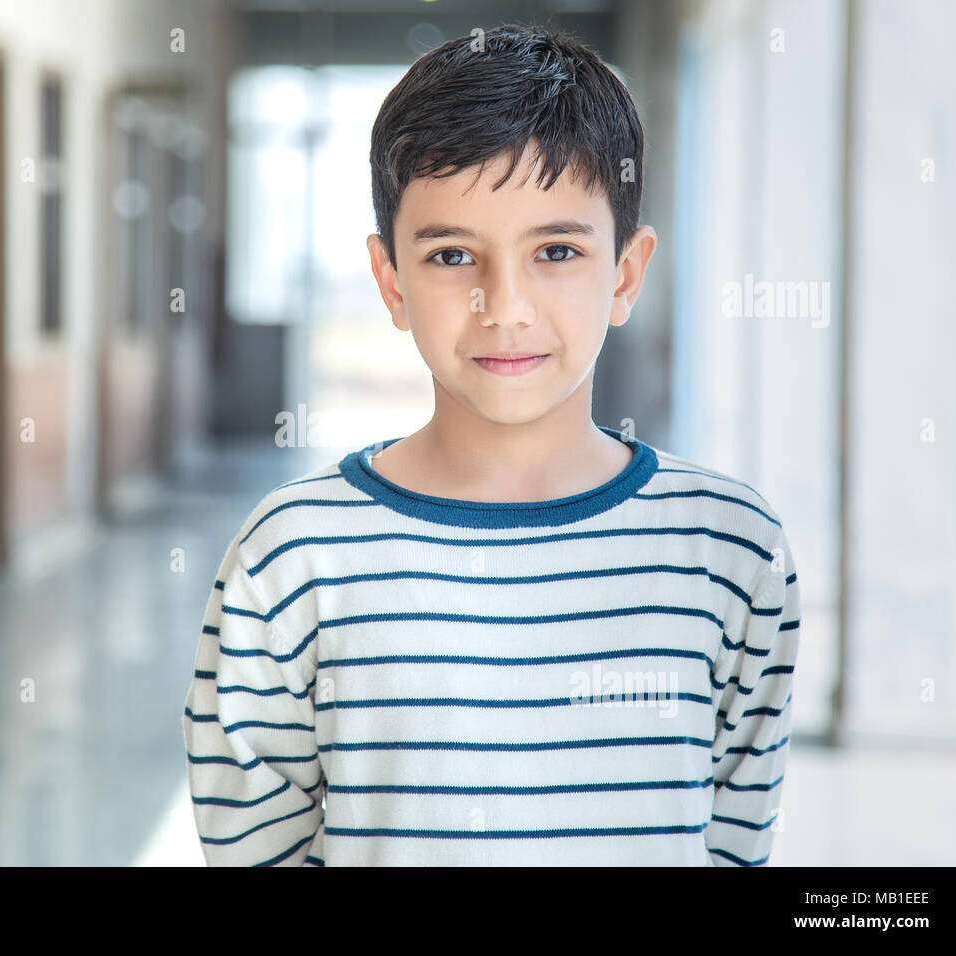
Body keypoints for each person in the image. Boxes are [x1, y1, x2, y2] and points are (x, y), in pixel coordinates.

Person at [181, 23, 800, 866]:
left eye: (555, 250)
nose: (502, 306)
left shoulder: (729, 549)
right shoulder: (294, 559)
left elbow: (733, 840)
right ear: (390, 281)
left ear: (624, 272)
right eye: (450, 255)